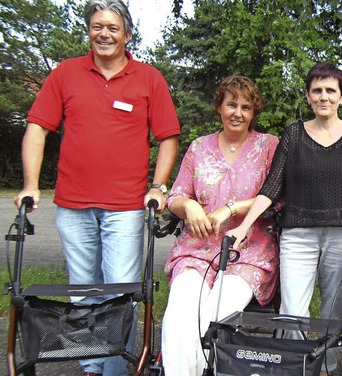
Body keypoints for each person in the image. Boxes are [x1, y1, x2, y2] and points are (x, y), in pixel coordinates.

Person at [13, 1, 181, 375]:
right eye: (97, 26)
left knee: (119, 293)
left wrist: (159, 185)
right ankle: (93, 366)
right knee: (83, 292)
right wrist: (29, 184)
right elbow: (37, 129)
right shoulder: (66, 74)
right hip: (73, 204)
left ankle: (116, 369)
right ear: (88, 30)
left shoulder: (148, 78)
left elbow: (168, 137)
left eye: (112, 27)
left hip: (124, 205)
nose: (104, 34)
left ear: (127, 34)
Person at [226, 62, 342, 375]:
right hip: (298, 235)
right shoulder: (293, 136)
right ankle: (296, 367)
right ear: (307, 96)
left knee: (333, 311)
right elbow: (271, 188)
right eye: (317, 90)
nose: (324, 96)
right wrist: (243, 225)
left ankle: (332, 367)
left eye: (331, 90)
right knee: (293, 311)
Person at [161, 76, 279, 376]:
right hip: (197, 249)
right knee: (181, 310)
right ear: (219, 108)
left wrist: (231, 209)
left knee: (214, 312)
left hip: (247, 252)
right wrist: (189, 206)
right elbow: (175, 195)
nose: (238, 112)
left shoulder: (268, 147)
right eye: (231, 104)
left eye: (246, 106)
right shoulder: (199, 147)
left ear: (254, 113)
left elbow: (280, 197)